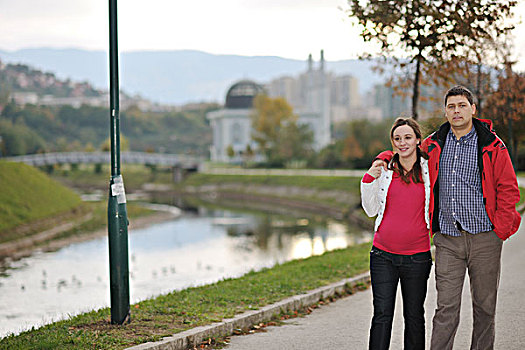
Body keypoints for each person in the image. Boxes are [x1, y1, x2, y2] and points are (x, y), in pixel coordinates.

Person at [374, 85, 521, 349]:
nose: (457, 111)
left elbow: (509, 188)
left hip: (485, 237)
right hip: (448, 240)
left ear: (473, 110)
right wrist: (383, 157)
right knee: (446, 308)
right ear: (445, 112)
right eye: (451, 106)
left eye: (462, 105)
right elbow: (405, 151)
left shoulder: (492, 144)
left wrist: (500, 229)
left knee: (485, 307)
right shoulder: (433, 143)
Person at [361, 117, 432, 350]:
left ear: (418, 140)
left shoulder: (429, 170)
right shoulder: (385, 171)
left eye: (408, 137)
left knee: (414, 316)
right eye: (397, 139)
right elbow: (370, 210)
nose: (403, 143)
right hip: (383, 256)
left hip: (418, 257)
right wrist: (369, 178)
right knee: (382, 315)